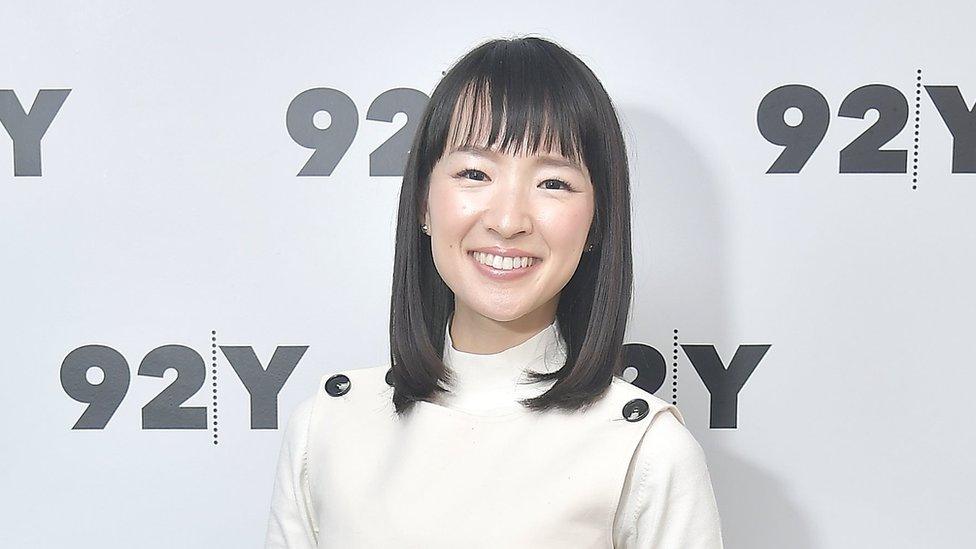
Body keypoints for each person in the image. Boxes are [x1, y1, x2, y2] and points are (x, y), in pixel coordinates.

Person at [264, 35, 724, 548]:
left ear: (597, 222)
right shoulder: (326, 429)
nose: (507, 221)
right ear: (423, 202)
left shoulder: (647, 451)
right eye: (475, 173)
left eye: (553, 183)